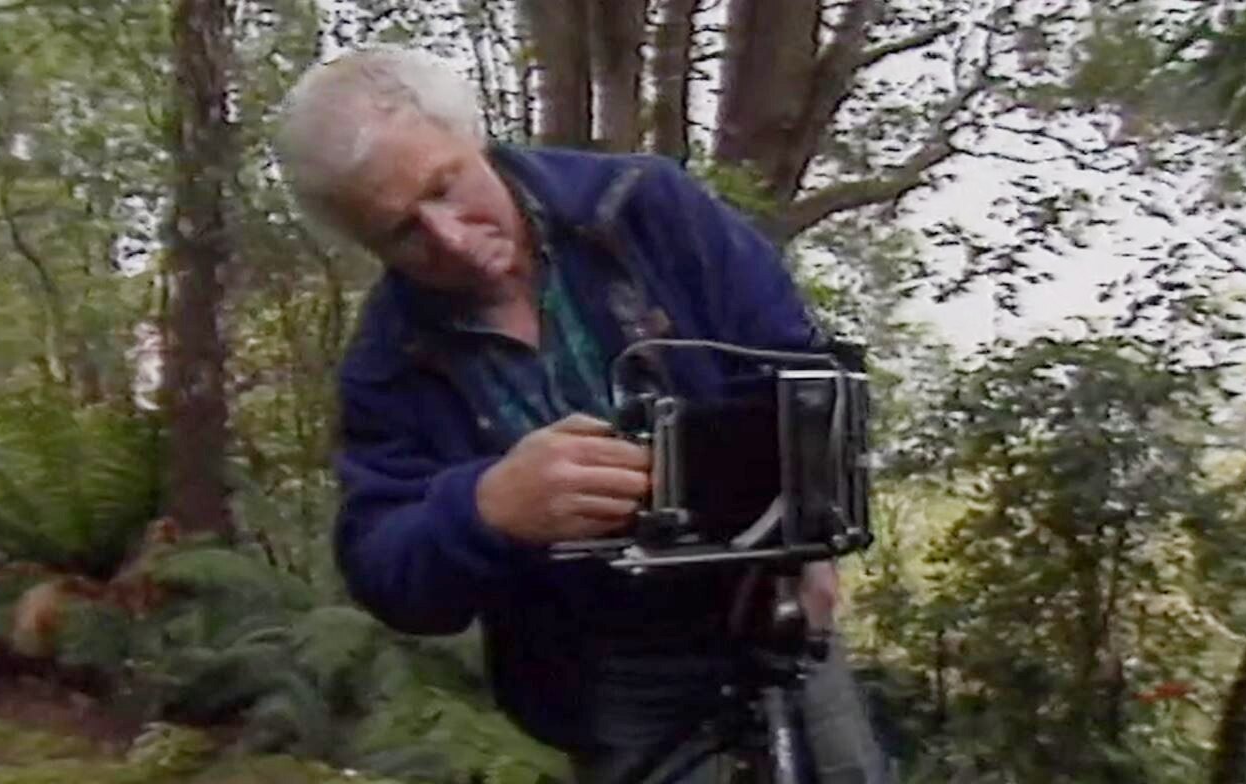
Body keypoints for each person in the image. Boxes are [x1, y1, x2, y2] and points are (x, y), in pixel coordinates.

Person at [274, 45, 893, 783]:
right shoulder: (390, 364)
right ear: (363, 242)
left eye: (445, 186)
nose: (450, 238)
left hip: (765, 604)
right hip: (603, 666)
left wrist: (810, 541)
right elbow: (382, 567)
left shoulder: (643, 210)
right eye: (402, 231)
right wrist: (484, 509)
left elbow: (799, 369)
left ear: (472, 133)